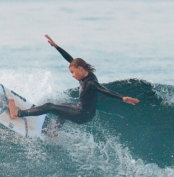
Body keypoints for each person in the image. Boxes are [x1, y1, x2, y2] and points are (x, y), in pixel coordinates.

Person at [8, 35, 139, 136]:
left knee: (49, 106)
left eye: (73, 72)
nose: (72, 75)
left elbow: (104, 90)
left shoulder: (90, 83)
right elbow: (70, 59)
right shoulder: (86, 74)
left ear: (80, 69)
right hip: (85, 113)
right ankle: (54, 132)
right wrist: (56, 46)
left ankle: (17, 113)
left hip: (80, 114)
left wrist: (122, 98)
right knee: (63, 106)